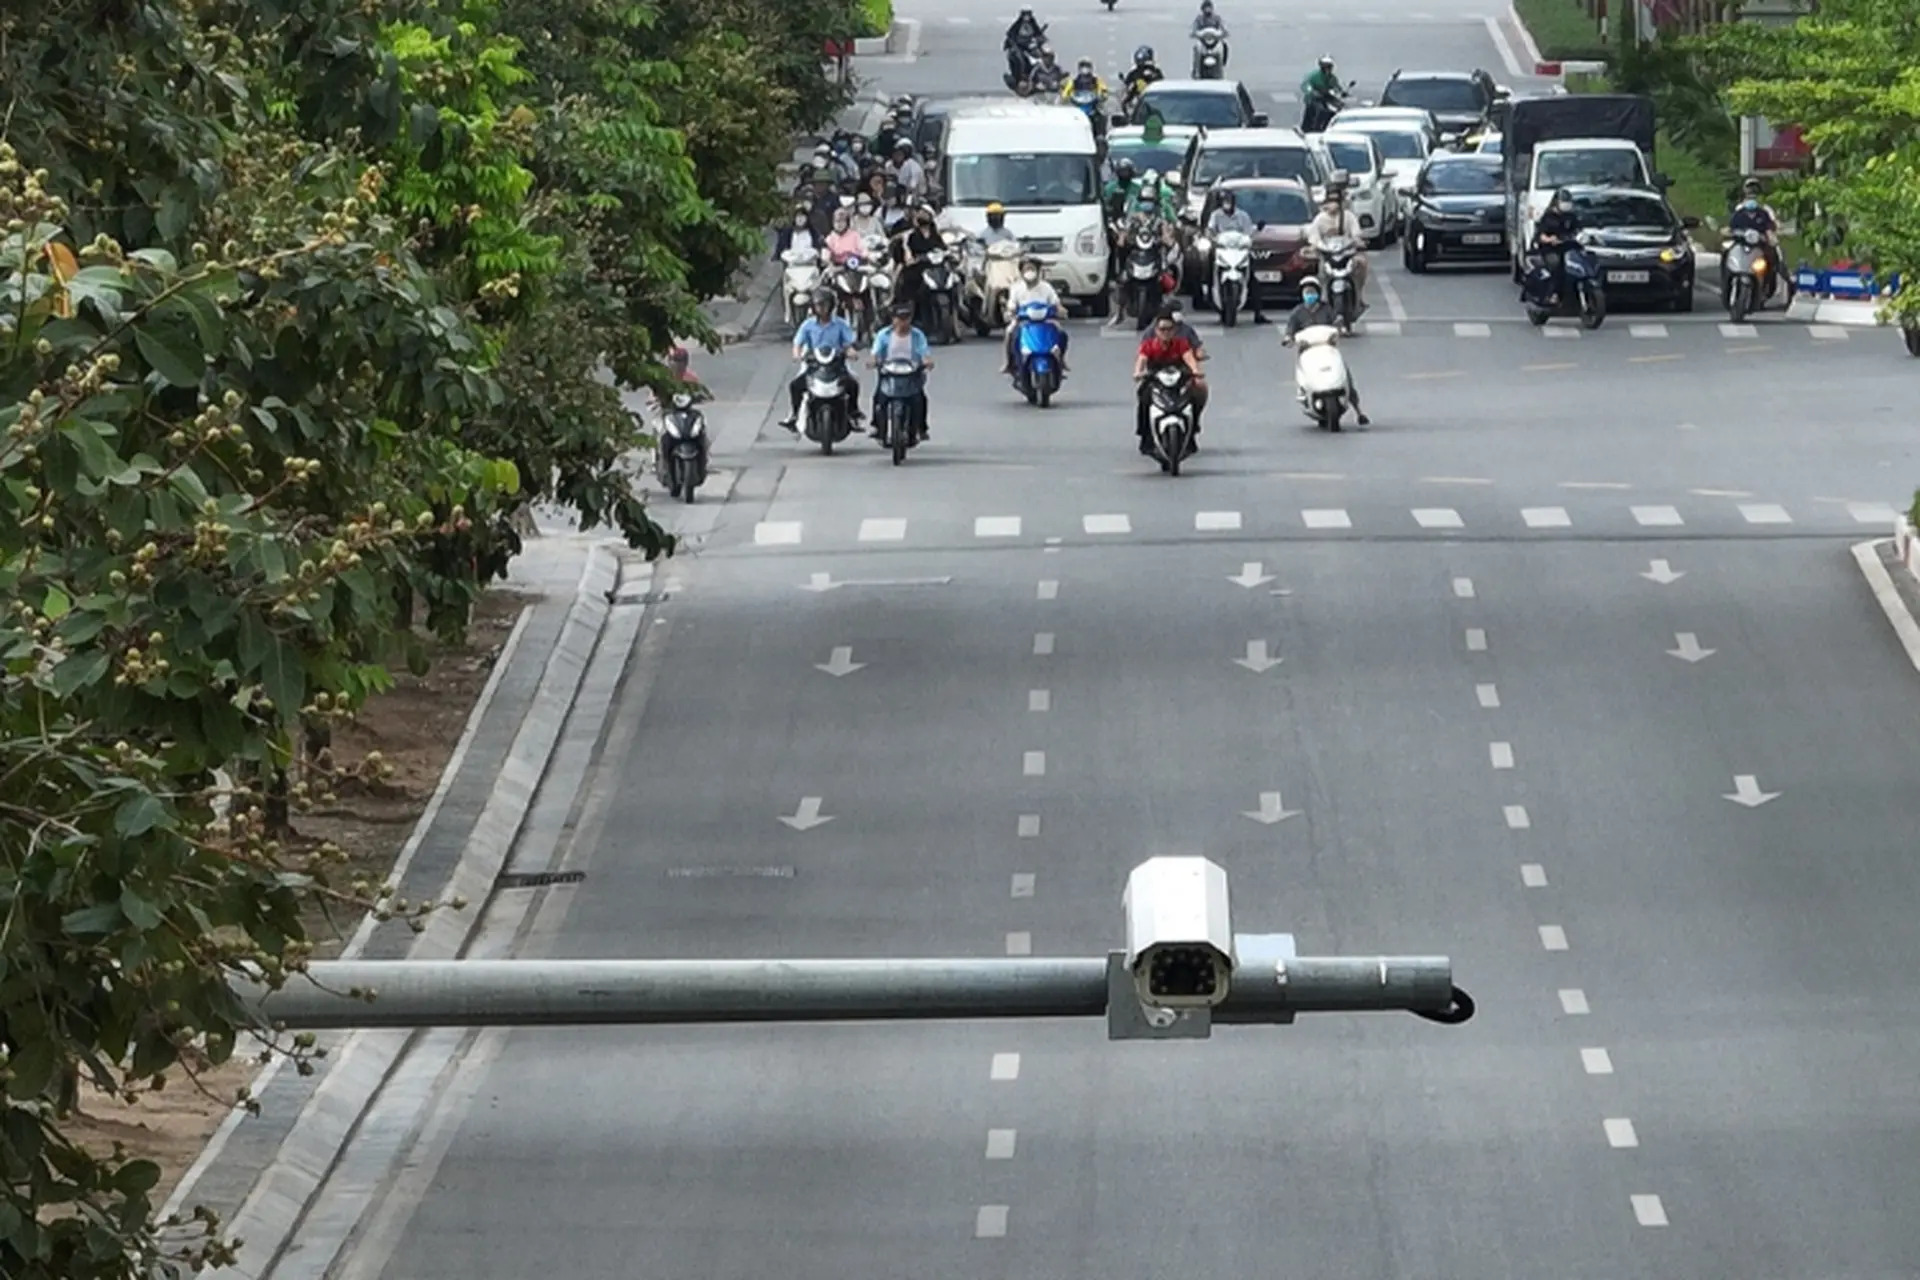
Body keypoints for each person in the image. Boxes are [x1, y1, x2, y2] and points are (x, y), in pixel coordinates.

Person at [1283, 277, 1369, 426]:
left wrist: (1340, 326)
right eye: (1307, 292)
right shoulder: (1298, 313)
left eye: (1312, 291)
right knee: (1304, 377)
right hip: (1307, 351)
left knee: (1345, 375)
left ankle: (1359, 411)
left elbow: (1336, 320)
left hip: (1328, 348)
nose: (1310, 295)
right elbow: (1290, 330)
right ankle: (1305, 396)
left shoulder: (1327, 309)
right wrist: (1288, 338)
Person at [780, 293, 863, 431]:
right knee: (795, 385)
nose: (822, 308)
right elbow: (798, 343)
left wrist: (851, 352)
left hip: (837, 363)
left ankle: (854, 413)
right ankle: (793, 416)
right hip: (813, 364)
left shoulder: (840, 324)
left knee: (853, 382)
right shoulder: (807, 325)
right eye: (819, 305)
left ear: (831, 306)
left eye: (824, 304)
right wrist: (797, 354)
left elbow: (848, 344)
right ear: (813, 306)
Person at [1133, 306, 1206, 456]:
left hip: (1179, 378)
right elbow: (1141, 359)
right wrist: (1138, 372)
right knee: (1143, 397)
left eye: (1169, 329)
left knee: (1197, 394)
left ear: (1174, 330)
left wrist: (1196, 371)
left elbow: (1189, 358)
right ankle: (1145, 436)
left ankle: (1191, 431)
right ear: (1156, 330)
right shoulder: (1149, 344)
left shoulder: (1181, 343)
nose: (1165, 333)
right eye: (1162, 329)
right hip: (1156, 379)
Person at [870, 302, 934, 440]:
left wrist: (927, 361)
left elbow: (924, 353)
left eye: (906, 318)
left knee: (920, 399)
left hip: (911, 373)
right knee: (879, 399)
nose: (903, 322)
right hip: (889, 372)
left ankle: (921, 428)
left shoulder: (917, 335)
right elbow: (875, 352)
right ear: (893, 319)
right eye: (900, 318)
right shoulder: (884, 335)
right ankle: (877, 426)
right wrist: (873, 361)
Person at [1204, 189, 1265, 323]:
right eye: (1225, 202)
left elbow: (1249, 232)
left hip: (1239, 252)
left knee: (1253, 280)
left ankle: (1258, 313)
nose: (1227, 204)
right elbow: (1210, 230)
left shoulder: (1243, 216)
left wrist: (1253, 235)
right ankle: (1210, 300)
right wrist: (1211, 237)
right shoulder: (1216, 215)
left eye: (1229, 202)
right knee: (1207, 272)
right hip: (1222, 251)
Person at [1001, 256, 1068, 374]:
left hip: (1045, 321)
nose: (1029, 272)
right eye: (1026, 269)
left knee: (1061, 332)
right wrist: (1010, 313)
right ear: (1021, 272)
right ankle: (1009, 363)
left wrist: (1060, 310)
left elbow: (1056, 303)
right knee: (1009, 333)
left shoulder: (1046, 287)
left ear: (1038, 271)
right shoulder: (1016, 288)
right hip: (1023, 321)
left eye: (1032, 269)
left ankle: (1061, 360)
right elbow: (1011, 305)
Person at [1306, 189, 1368, 314]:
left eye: (1336, 201)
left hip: (1347, 255)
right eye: (1330, 201)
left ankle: (1358, 297)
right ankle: (1323, 301)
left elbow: (1356, 234)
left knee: (1361, 263)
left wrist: (1358, 241)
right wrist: (1315, 246)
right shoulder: (1320, 220)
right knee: (1322, 272)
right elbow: (1314, 238)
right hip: (1328, 256)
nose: (1333, 204)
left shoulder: (1349, 217)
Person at [1728, 176, 1784, 302]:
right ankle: (1727, 284)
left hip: (1760, 245)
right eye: (1749, 190)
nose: (1752, 193)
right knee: (1726, 253)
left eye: (1754, 190)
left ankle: (1767, 286)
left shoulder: (1765, 211)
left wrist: (1770, 236)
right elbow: (1731, 226)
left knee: (1774, 258)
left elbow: (1771, 226)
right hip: (1741, 244)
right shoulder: (1739, 210)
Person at [1531, 186, 1582, 299]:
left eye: (1568, 202)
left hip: (1568, 247)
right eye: (1563, 202)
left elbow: (1578, 230)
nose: (1566, 205)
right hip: (1551, 249)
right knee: (1556, 265)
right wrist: (1550, 240)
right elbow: (1541, 235)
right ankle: (1553, 294)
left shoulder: (1571, 216)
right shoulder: (1548, 217)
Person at [1299, 55, 1343, 131]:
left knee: (1340, 106)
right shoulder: (1314, 76)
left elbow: (1336, 87)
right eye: (1325, 66)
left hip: (1326, 97)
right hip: (1314, 98)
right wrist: (1311, 91)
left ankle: (1330, 125)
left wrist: (1341, 92)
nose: (1327, 69)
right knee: (1320, 109)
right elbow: (1305, 85)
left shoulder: (1332, 78)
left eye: (1329, 66)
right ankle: (1313, 127)